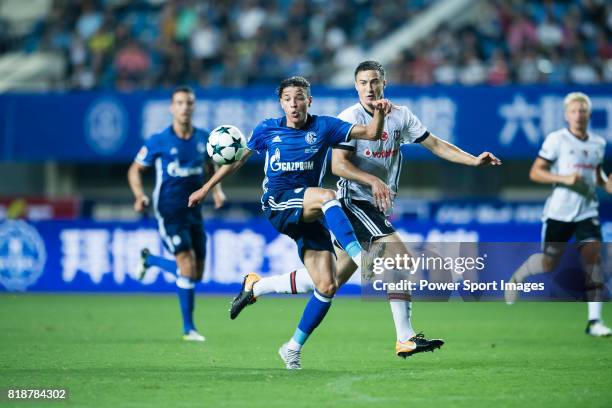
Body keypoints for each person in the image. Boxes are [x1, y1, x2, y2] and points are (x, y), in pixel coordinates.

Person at [228, 60, 502, 358]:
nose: (369, 87)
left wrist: (473, 160)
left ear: (384, 83)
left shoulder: (401, 116)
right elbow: (338, 165)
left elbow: (435, 144)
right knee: (401, 258)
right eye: (363, 83)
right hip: (352, 202)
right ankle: (405, 337)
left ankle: (261, 296)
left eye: (374, 81)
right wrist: (372, 180)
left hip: (373, 207)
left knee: (325, 281)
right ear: (356, 86)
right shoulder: (350, 118)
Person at [188, 76, 390, 369]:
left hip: (309, 210)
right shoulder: (267, 129)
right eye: (288, 99)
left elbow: (372, 133)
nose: (294, 104)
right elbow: (238, 160)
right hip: (278, 203)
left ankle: (286, 338)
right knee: (327, 195)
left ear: (310, 100)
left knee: (327, 285)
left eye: (299, 98)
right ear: (281, 102)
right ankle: (361, 257)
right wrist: (206, 188)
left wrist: (381, 115)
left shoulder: (325, 127)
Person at [505, 92, 611, 337]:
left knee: (594, 260)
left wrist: (606, 184)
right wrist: (563, 178)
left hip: (587, 211)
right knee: (548, 262)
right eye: (574, 111)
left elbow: (597, 176)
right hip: (559, 213)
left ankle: (594, 321)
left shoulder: (598, 143)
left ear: (590, 114)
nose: (578, 115)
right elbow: (536, 173)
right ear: (566, 115)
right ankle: (518, 277)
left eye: (583, 111)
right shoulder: (557, 140)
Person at [127, 86, 225, 342]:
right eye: (180, 103)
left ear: (193, 107)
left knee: (197, 273)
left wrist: (216, 191)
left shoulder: (203, 138)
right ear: (172, 108)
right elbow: (135, 170)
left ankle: (150, 261)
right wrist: (139, 196)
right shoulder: (159, 140)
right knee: (186, 265)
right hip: (169, 210)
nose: (185, 107)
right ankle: (188, 329)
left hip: (195, 211)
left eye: (189, 103)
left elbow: (211, 165)